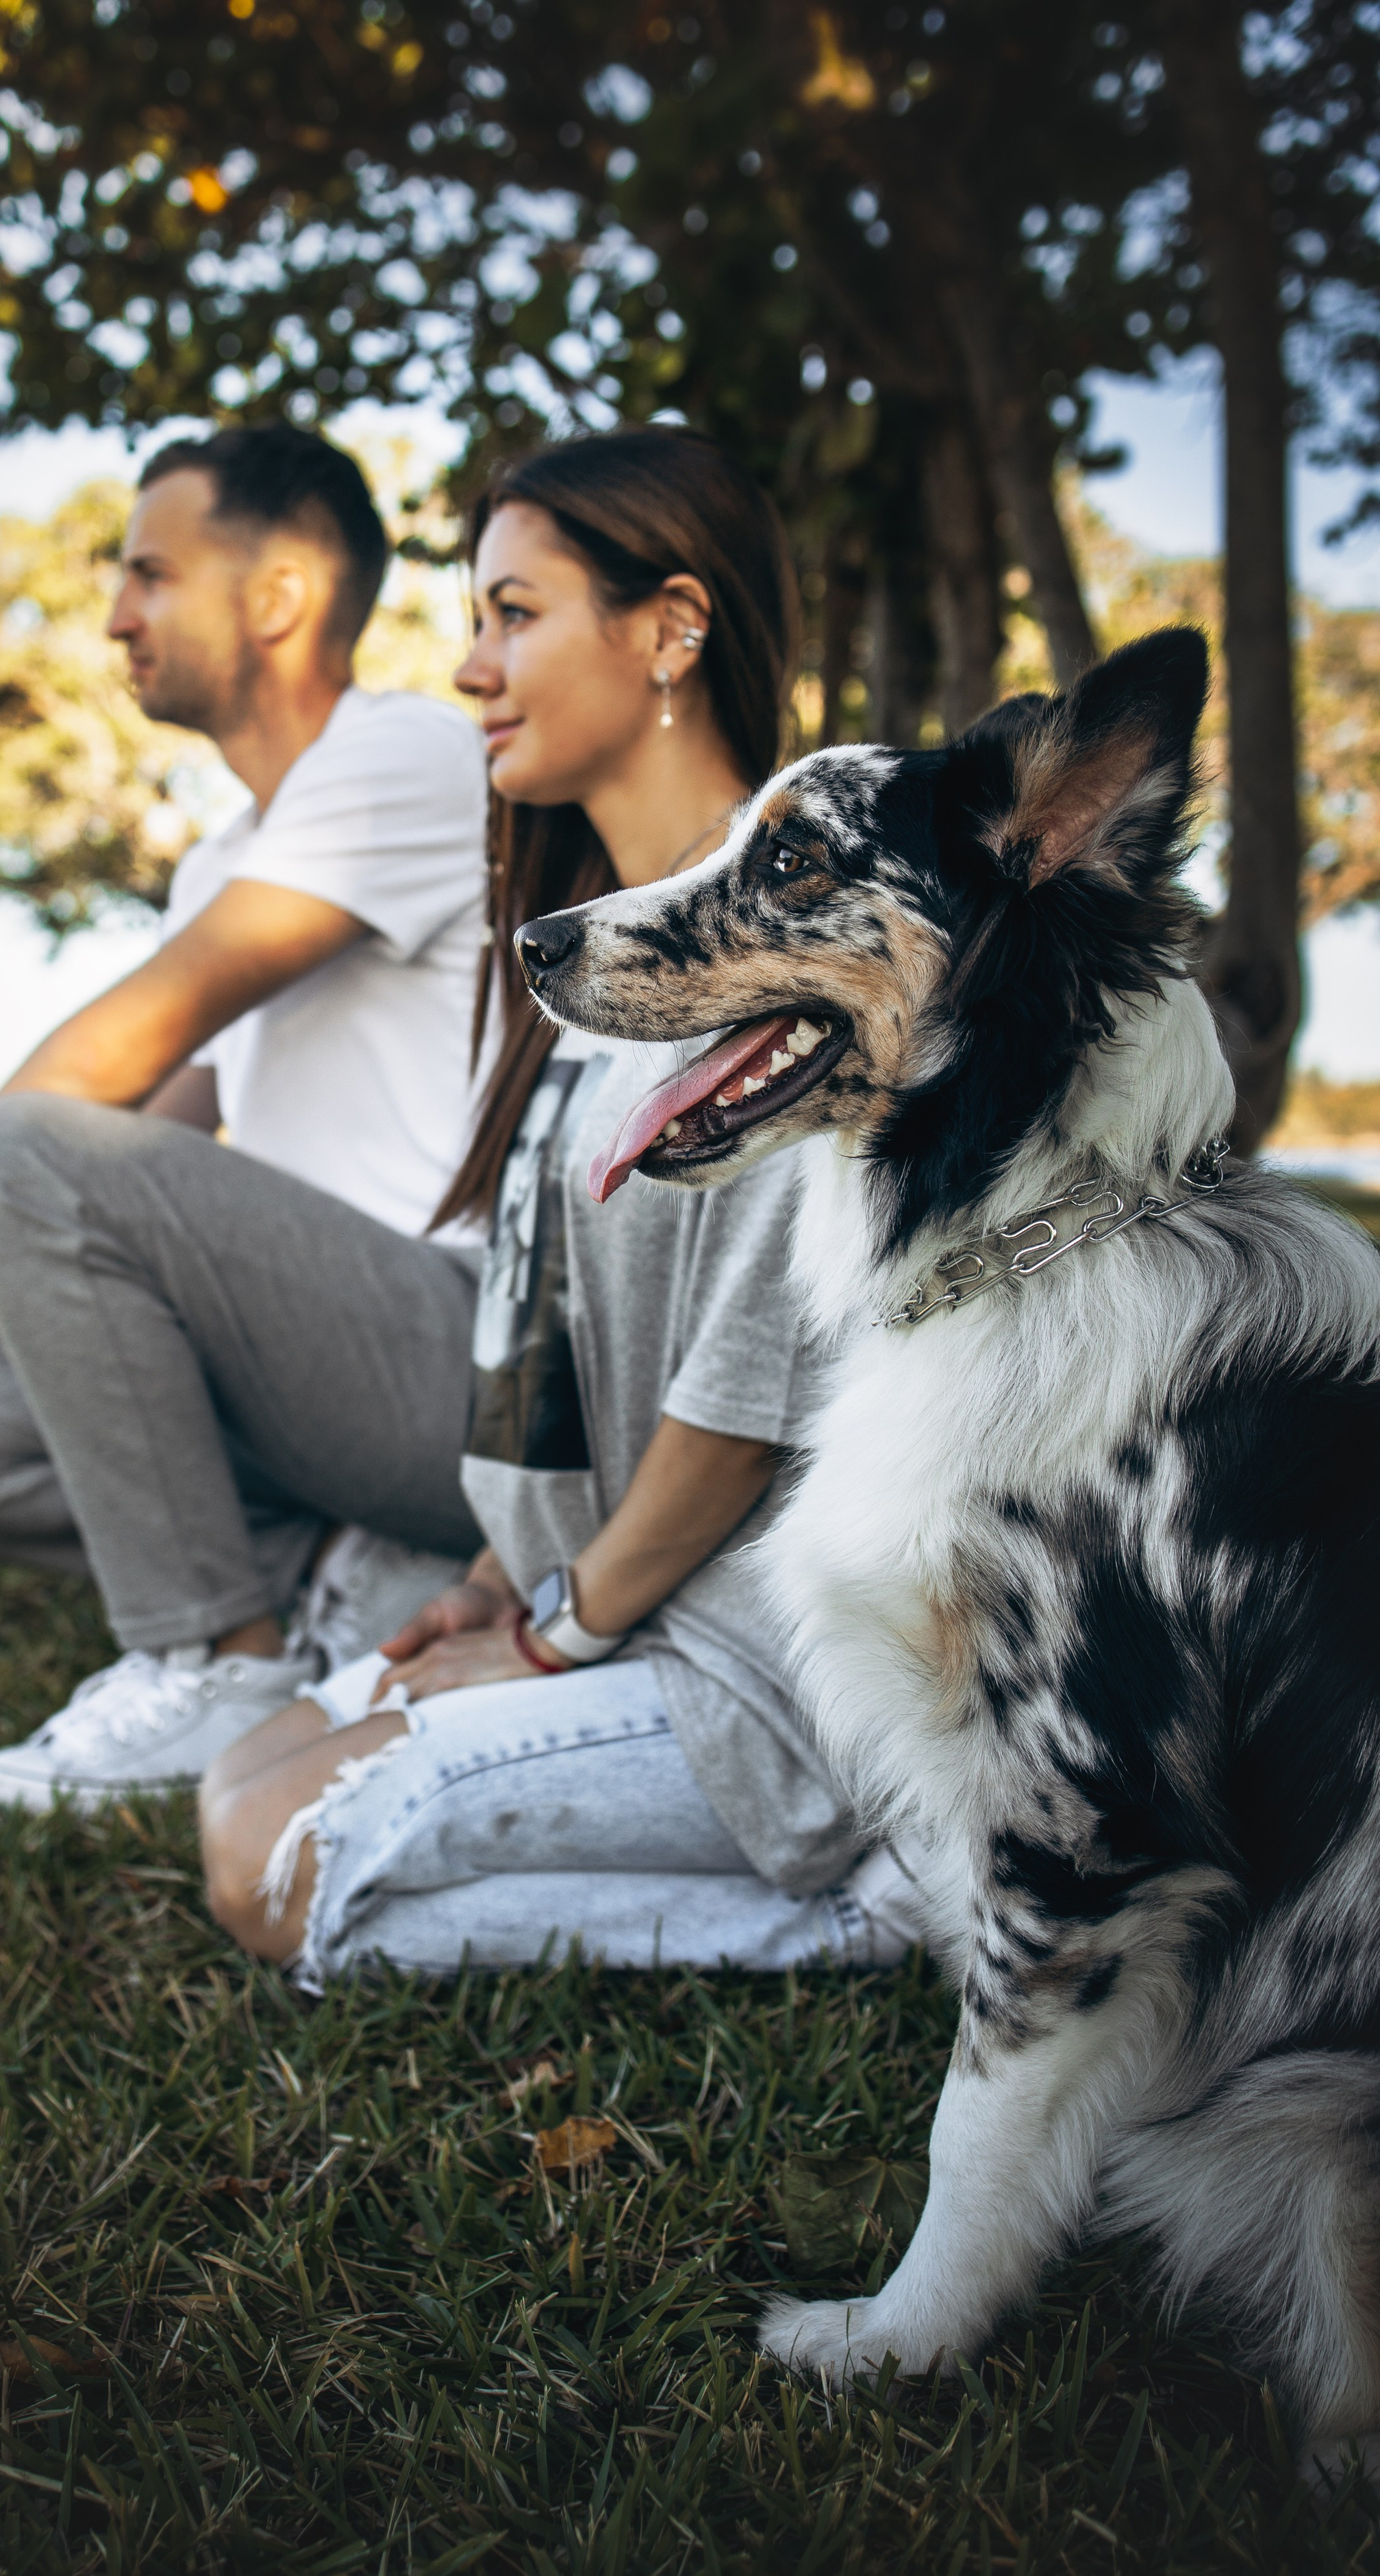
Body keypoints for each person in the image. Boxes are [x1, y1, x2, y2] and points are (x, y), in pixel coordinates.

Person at [198, 427, 923, 1981]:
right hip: (601, 1618)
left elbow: (739, 1412)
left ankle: (863, 1916)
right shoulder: (572, 975)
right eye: (474, 622)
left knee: (282, 1871)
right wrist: (481, 1594)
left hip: (747, 1673)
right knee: (234, 1791)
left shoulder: (787, 959)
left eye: (512, 614)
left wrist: (542, 1640)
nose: (471, 669)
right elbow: (573, 1356)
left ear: (670, 627)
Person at [0, 422, 491, 1803]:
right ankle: (348, 1581)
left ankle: (214, 1660)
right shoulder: (232, 857)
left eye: (149, 574)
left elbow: (121, 1052)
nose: (114, 615)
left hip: (459, 1361)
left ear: (278, 595)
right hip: (312, 1372)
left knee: (21, 1141)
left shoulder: (404, 754)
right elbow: (148, 1140)